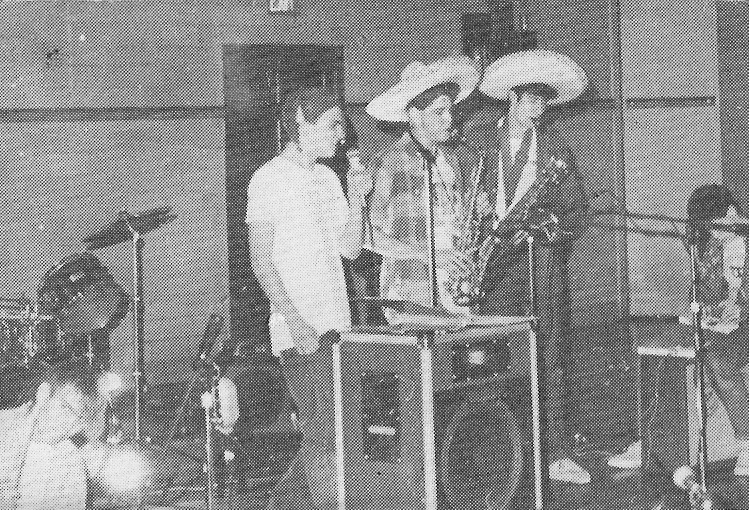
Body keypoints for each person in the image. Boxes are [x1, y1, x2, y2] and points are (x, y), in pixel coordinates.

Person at [463, 49, 591, 484]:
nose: (536, 111)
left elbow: (576, 212)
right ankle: (499, 447)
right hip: (490, 271)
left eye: (542, 103)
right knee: (492, 358)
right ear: (512, 99)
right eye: (529, 101)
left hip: (540, 268)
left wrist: (546, 229)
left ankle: (555, 452)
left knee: (549, 357)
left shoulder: (556, 152)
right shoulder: (479, 144)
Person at [246, 86, 370, 510]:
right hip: (299, 330)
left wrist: (358, 196)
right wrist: (295, 322)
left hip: (339, 326)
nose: (342, 135)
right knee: (325, 434)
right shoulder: (268, 179)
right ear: (302, 120)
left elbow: (350, 249)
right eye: (333, 124)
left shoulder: (329, 178)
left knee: (336, 433)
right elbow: (261, 263)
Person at [610, 184, 749, 476]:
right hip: (719, 327)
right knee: (657, 353)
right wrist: (710, 309)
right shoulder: (706, 246)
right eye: (712, 225)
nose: (717, 230)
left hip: (744, 329)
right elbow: (702, 294)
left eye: (719, 223)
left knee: (717, 360)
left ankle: (746, 442)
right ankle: (651, 442)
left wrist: (739, 308)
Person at [365, 55, 481, 313]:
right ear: (415, 115)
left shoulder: (451, 159)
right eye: (439, 112)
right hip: (411, 291)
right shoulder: (388, 162)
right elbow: (367, 234)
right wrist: (427, 255)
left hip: (456, 289)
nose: (449, 119)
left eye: (450, 110)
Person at [0, 360, 107, 510]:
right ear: (43, 394)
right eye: (65, 408)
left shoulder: (70, 457)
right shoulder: (8, 432)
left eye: (80, 418)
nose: (71, 425)